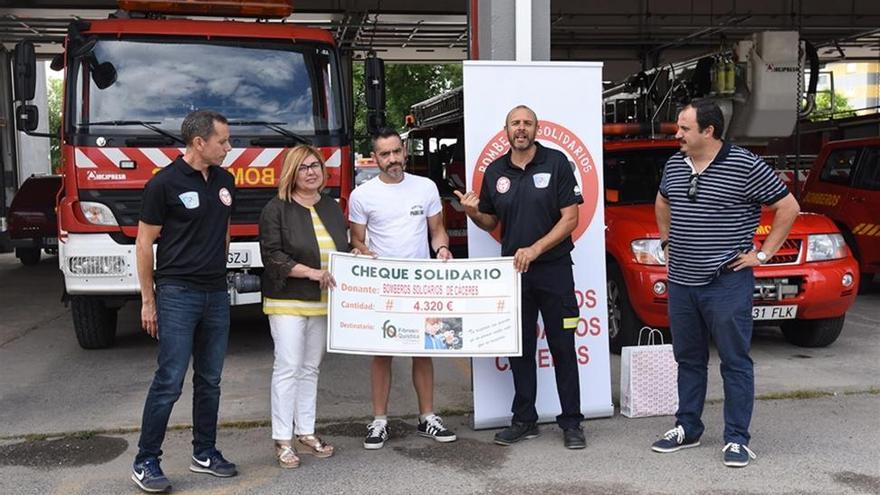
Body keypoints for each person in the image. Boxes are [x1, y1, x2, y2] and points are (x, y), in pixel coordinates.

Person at [652, 99, 800, 467]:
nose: (678, 134)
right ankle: (688, 427)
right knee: (688, 359)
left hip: (726, 282)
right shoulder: (674, 163)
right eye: (678, 127)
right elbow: (663, 201)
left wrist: (763, 255)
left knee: (734, 361)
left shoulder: (745, 165)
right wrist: (667, 241)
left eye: (685, 128)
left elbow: (789, 207)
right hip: (682, 282)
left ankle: (737, 439)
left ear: (709, 131)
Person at [456, 105, 586, 450]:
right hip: (514, 274)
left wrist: (535, 249)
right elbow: (490, 222)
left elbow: (570, 218)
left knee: (563, 347)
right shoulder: (495, 171)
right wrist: (472, 213)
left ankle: (572, 422)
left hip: (555, 271)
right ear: (506, 131)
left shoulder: (556, 162)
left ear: (537, 128)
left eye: (527, 123)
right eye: (516, 123)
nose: (521, 128)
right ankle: (524, 419)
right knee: (521, 349)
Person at [132, 109, 236, 493]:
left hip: (215, 293)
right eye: (222, 141)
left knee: (210, 380)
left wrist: (219, 272)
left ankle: (205, 453)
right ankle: (146, 460)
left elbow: (222, 231)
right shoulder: (165, 183)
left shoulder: (226, 180)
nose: (229, 147)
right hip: (177, 294)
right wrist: (148, 300)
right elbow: (144, 244)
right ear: (199, 143)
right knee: (170, 381)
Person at [349, 127, 457, 449]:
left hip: (421, 284)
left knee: (424, 350)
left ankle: (427, 417)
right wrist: (362, 251)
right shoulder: (362, 195)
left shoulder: (425, 187)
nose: (392, 159)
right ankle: (379, 421)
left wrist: (441, 250)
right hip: (384, 286)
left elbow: (437, 231)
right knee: (382, 353)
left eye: (397, 151)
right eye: (385, 154)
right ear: (375, 157)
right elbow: (356, 239)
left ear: (404, 151)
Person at [259, 145, 355, 468]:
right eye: (303, 167)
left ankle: (306, 431)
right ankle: (283, 440)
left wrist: (356, 257)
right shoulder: (276, 209)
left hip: (323, 302)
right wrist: (313, 273)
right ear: (291, 173)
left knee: (311, 369)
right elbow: (273, 257)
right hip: (287, 299)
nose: (311, 172)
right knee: (287, 367)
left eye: (315, 165)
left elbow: (341, 246)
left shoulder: (330, 206)